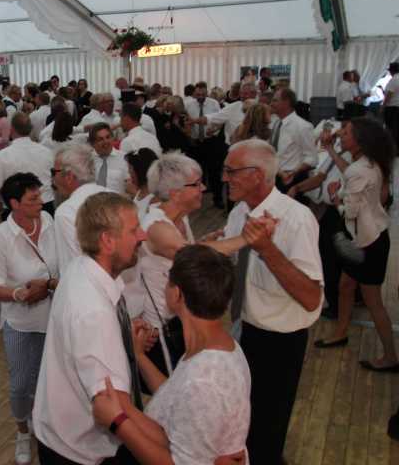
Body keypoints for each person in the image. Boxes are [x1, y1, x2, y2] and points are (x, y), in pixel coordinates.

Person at [93, 245, 251, 465]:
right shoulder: (217, 346)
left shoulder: (204, 379)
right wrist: (140, 356)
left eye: (168, 279)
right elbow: (178, 398)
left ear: (177, 294)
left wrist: (117, 421)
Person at [222, 138, 323, 465]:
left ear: (257, 175)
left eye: (231, 171)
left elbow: (311, 297)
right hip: (243, 329)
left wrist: (268, 250)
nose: (224, 177)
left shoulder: (296, 219)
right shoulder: (239, 213)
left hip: (279, 342)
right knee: (243, 422)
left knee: (268, 428)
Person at [33, 192, 145, 464]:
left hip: (62, 438)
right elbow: (115, 408)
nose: (143, 235)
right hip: (81, 452)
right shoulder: (94, 313)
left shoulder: (81, 267)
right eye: (134, 230)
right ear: (108, 240)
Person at [125, 152, 252, 376]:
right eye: (196, 184)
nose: (203, 188)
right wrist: (248, 238)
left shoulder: (179, 218)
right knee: (171, 386)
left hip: (179, 317)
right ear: (175, 193)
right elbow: (194, 256)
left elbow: (182, 252)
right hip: (162, 328)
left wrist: (203, 241)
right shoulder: (156, 227)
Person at [314, 118, 397, 369]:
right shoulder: (368, 163)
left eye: (346, 132)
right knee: (345, 286)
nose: (341, 134)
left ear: (359, 141)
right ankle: (341, 332)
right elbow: (348, 170)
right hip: (370, 237)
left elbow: (348, 212)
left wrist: (334, 197)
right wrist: (331, 150)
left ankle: (390, 357)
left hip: (367, 243)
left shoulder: (358, 170)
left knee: (373, 302)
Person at [0, 173, 58, 465]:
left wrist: (50, 285)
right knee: (19, 385)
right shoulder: (1, 236)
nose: (41, 201)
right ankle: (22, 430)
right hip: (20, 323)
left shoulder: (50, 222)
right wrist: (21, 294)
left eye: (39, 195)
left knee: (47, 381)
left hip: (52, 320)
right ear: (14, 203)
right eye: (33, 198)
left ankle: (44, 428)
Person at [52, 143, 111, 274]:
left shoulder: (66, 212)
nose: (53, 178)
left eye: (54, 172)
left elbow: (72, 267)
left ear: (69, 177)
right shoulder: (115, 196)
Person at [0, 112, 56, 214]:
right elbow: (54, 179)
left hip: (17, 208)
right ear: (30, 129)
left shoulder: (2, 156)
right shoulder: (47, 152)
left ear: (11, 130)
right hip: (46, 204)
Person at [269, 88, 317, 193]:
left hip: (292, 180)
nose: (271, 104)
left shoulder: (302, 126)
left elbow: (312, 158)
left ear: (286, 103)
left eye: (275, 100)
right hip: (275, 176)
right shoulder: (277, 123)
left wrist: (294, 172)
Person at [89, 123, 128, 194]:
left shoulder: (125, 158)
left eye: (108, 137)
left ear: (112, 138)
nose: (105, 141)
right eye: (100, 139)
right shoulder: (87, 159)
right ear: (93, 143)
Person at [124, 147, 159, 218]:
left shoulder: (155, 200)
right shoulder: (140, 193)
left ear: (139, 171)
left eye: (130, 168)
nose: (128, 171)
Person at [383, 62, 399, 149]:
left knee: (391, 128)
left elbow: (389, 95)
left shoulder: (394, 80)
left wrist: (383, 106)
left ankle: (391, 147)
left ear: (392, 71)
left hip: (392, 108)